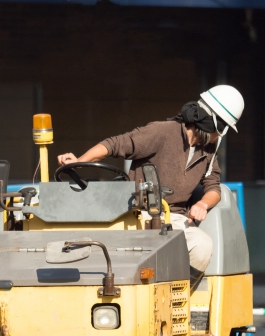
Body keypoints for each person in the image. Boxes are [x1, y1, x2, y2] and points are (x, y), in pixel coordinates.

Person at [57, 85, 244, 284]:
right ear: (212, 122)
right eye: (223, 129)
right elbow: (115, 144)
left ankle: (177, 298)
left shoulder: (209, 151)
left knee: (203, 245)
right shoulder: (162, 132)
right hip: (136, 213)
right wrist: (80, 161)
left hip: (174, 219)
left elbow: (213, 187)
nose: (222, 135)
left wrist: (202, 204)